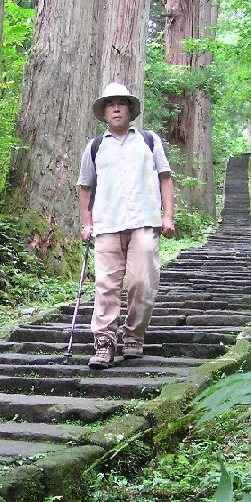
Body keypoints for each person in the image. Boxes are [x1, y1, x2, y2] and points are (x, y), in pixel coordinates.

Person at [76, 82, 175, 369]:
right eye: (110, 104)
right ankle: (104, 343)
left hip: (144, 221)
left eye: (121, 103)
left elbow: (165, 177)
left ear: (130, 110)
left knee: (142, 282)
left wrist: (167, 216)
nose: (116, 108)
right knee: (106, 285)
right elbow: (85, 186)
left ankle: (134, 336)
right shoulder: (95, 147)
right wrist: (86, 223)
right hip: (107, 224)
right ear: (104, 113)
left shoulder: (148, 140)